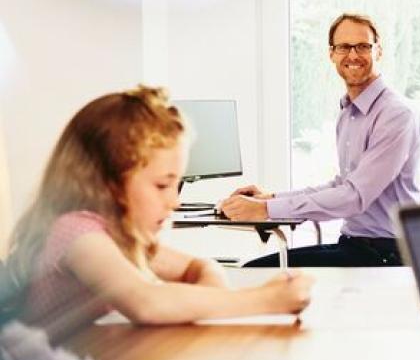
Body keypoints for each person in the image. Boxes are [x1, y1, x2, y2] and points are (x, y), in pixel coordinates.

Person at [8, 87, 313, 340]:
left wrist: (207, 301)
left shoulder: (121, 236)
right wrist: (267, 300)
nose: (174, 202)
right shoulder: (76, 233)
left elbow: (199, 267)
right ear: (108, 182)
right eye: (162, 185)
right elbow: (145, 302)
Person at [221, 13, 420, 266]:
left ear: (378, 51)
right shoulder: (349, 111)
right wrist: (271, 198)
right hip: (355, 245)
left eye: (363, 46)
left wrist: (265, 211)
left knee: (254, 273)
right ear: (332, 54)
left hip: (386, 254)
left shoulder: (396, 114)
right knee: (254, 270)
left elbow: (354, 197)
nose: (353, 55)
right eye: (343, 47)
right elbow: (343, 184)